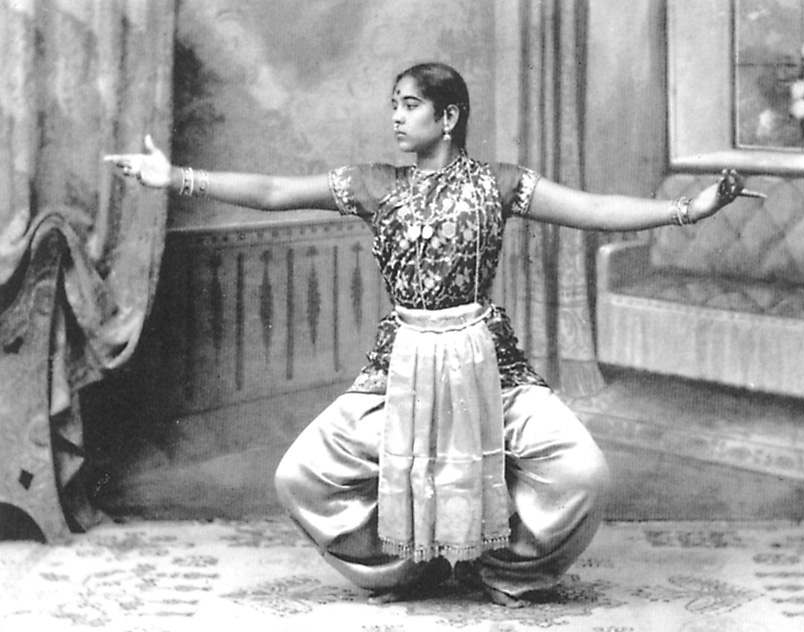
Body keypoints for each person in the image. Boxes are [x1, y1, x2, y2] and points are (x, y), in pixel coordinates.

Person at [105, 62, 746, 608]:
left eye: (410, 106)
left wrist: (687, 210)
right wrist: (178, 178)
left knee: (583, 474)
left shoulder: (498, 184)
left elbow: (594, 210)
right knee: (301, 475)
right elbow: (275, 190)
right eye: (393, 106)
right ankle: (410, 567)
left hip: (486, 358)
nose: (396, 117)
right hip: (402, 360)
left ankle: (500, 569)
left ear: (448, 117)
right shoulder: (374, 184)